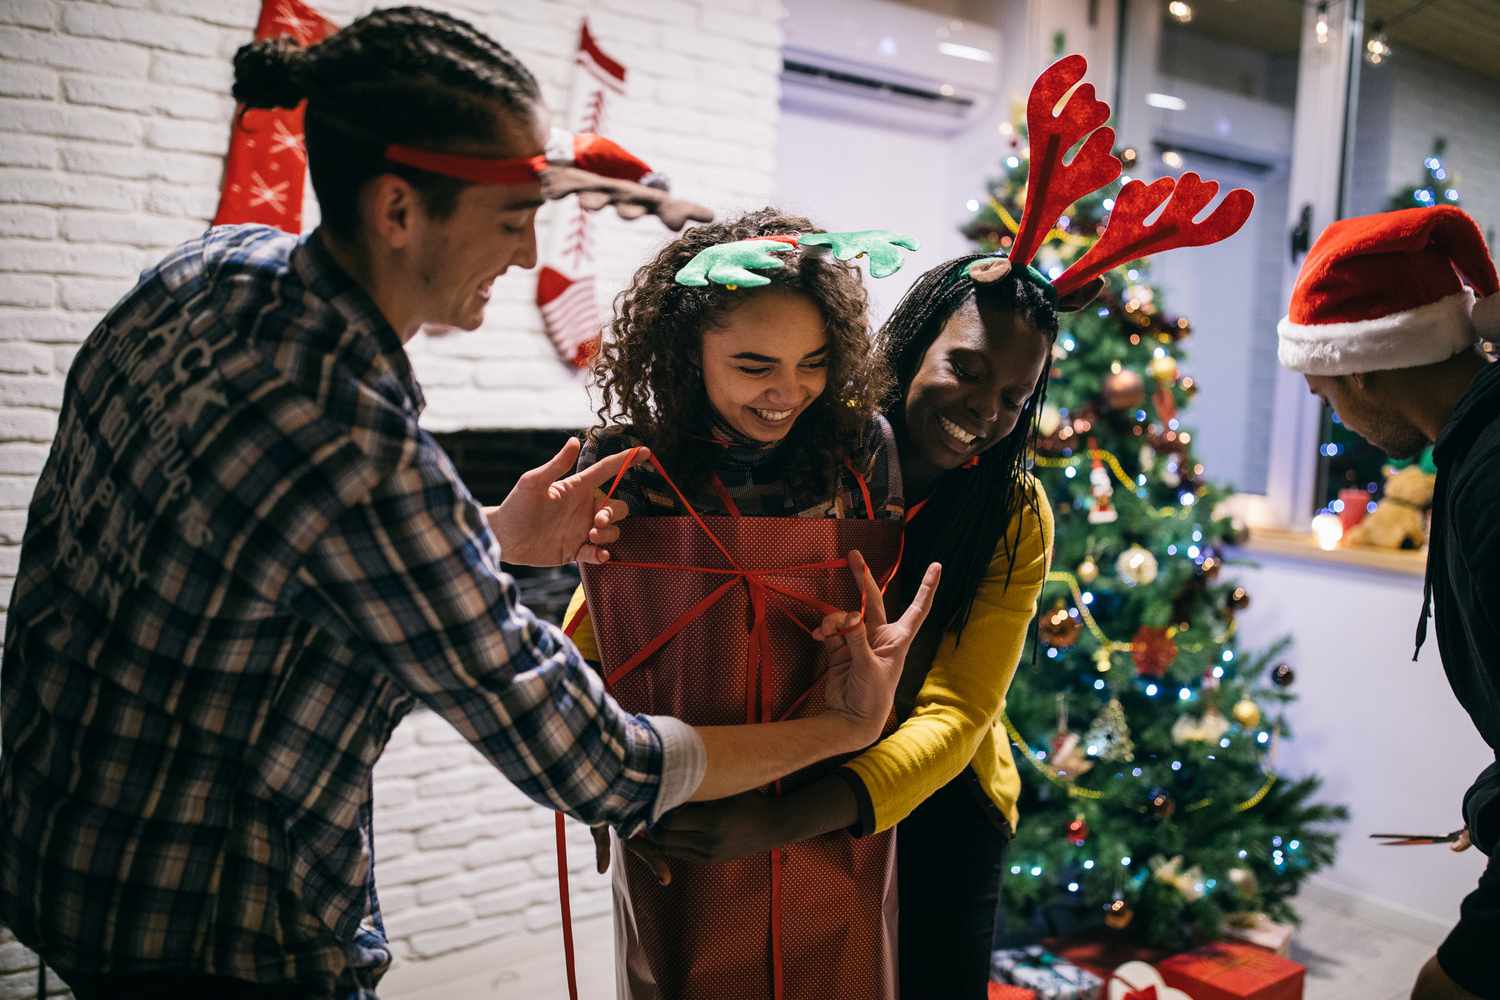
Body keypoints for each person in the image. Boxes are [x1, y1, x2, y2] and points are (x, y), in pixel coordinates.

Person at [0, 10, 934, 998]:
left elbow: (240, 558)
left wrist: (491, 537)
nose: (530, 255)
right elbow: (597, 764)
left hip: (62, 850)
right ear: (398, 209)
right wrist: (841, 728)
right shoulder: (354, 442)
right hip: (213, 928)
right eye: (510, 217)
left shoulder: (206, 269)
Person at [639, 252, 1058, 999]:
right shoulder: (805, 454)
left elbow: (960, 712)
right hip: (776, 770)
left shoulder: (1014, 514)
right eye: (965, 369)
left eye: (1014, 399)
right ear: (912, 344)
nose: (985, 414)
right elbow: (649, 596)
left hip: (931, 798)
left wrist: (791, 821)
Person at [561, 208, 931, 999]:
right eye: (755, 364)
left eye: (814, 361)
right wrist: (604, 789)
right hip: (682, 787)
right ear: (688, 353)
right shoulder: (629, 467)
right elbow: (597, 627)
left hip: (826, 786)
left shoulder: (861, 452)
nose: (787, 392)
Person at [1277, 204, 1500, 1000]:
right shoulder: (1475, 449)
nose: (1332, 414)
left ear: (1366, 364)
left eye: (1324, 391)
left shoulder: (1490, 481)